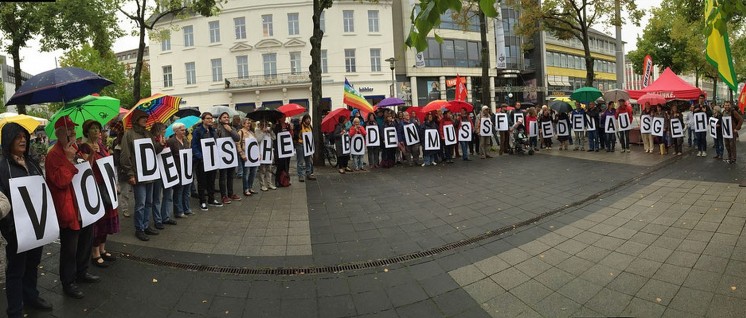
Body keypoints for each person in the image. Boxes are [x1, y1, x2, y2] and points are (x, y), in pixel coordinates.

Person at [0, 123, 53, 316]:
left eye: (24, 136)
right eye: (17, 137)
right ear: (8, 140)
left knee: (32, 264)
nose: (23, 140)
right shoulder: (2, 167)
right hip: (17, 231)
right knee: (16, 270)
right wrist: (11, 228)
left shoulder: (31, 162)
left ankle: (31, 296)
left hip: (36, 226)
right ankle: (15, 309)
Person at [47, 116, 100, 299]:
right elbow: (60, 182)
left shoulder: (75, 148)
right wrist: (69, 161)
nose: (71, 132)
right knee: (70, 247)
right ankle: (68, 282)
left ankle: (82, 272)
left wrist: (91, 155)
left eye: (73, 129)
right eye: (67, 129)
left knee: (86, 239)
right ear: (58, 133)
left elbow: (86, 170)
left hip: (82, 204)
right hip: (67, 207)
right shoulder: (53, 155)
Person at [77, 120, 120, 269]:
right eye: (93, 129)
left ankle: (102, 248)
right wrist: (92, 154)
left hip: (106, 185)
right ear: (86, 132)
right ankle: (95, 253)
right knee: (99, 220)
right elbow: (84, 169)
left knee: (108, 217)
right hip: (95, 187)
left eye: (98, 129)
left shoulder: (102, 145)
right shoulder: (84, 147)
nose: (96, 131)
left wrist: (114, 183)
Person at [192, 112, 222, 210]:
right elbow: (194, 145)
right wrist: (200, 157)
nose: (210, 120)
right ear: (203, 120)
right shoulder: (198, 131)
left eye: (211, 118)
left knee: (211, 180)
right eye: (208, 118)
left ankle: (211, 199)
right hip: (202, 161)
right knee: (202, 182)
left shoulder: (213, 131)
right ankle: (202, 201)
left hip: (212, 159)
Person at [150, 122, 177, 230]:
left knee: (168, 194)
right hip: (157, 172)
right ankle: (158, 219)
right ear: (157, 130)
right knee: (157, 197)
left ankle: (166, 216)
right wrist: (160, 144)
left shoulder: (165, 140)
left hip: (166, 170)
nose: (165, 131)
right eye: (163, 129)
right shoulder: (152, 140)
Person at [167, 122, 192, 217]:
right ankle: (178, 211)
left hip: (186, 169)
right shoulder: (171, 142)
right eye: (182, 130)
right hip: (177, 169)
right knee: (179, 190)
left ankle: (187, 208)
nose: (184, 131)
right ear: (175, 131)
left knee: (186, 190)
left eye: (184, 129)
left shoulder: (185, 140)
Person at [216, 112, 241, 204]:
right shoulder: (217, 129)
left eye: (227, 117)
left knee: (231, 176)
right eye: (224, 117)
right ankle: (224, 195)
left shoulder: (232, 128)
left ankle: (231, 193)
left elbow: (237, 138)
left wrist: (230, 130)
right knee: (223, 176)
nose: (226, 118)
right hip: (222, 156)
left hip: (231, 156)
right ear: (220, 119)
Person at [111, 121, 131, 217]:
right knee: (125, 192)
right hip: (123, 172)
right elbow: (117, 160)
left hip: (133, 171)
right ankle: (125, 209)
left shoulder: (131, 142)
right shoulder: (117, 144)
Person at [237, 118, 259, 195]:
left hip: (253, 156)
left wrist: (258, 154)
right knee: (246, 172)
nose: (249, 124)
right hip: (245, 155)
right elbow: (238, 144)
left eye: (249, 123)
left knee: (253, 172)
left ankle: (250, 187)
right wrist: (242, 154)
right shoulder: (240, 132)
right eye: (247, 123)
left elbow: (256, 144)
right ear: (243, 124)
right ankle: (246, 189)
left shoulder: (252, 133)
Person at [255, 121, 276, 191]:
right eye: (262, 125)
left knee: (269, 169)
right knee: (262, 170)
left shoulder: (269, 131)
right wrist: (263, 133)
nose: (264, 126)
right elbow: (258, 140)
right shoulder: (257, 131)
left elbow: (274, 138)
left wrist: (270, 132)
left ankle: (269, 183)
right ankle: (262, 185)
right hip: (262, 153)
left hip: (269, 153)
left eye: (266, 124)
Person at [294, 114, 316, 182]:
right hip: (300, 144)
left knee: (308, 160)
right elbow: (295, 135)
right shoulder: (299, 126)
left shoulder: (310, 127)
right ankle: (300, 175)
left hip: (307, 145)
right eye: (307, 119)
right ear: (304, 119)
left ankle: (308, 173)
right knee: (300, 161)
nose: (308, 120)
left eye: (309, 119)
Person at [273, 117, 292, 187]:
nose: (284, 118)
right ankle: (278, 181)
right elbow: (275, 138)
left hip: (287, 149)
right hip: (280, 149)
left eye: (284, 117)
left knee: (286, 165)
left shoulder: (287, 126)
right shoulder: (277, 127)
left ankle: (285, 180)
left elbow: (291, 136)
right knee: (280, 165)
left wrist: (291, 129)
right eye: (282, 117)